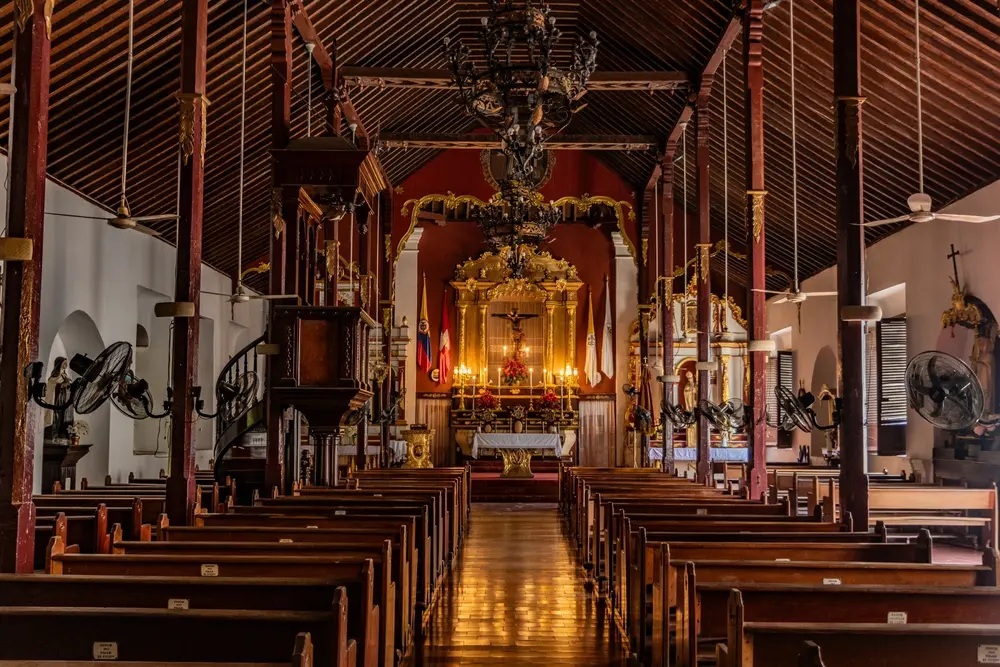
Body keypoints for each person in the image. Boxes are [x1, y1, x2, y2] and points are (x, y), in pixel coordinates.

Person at [44, 357, 75, 444]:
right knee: (57, 417)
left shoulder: (65, 376)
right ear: (59, 364)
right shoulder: (54, 376)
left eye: (66, 363)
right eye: (64, 363)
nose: (66, 365)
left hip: (66, 400)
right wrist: (61, 386)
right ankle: (55, 434)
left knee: (65, 417)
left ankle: (63, 435)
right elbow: (51, 385)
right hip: (58, 400)